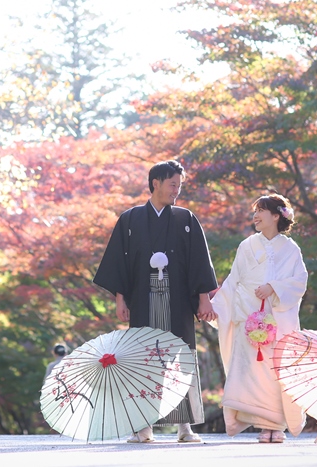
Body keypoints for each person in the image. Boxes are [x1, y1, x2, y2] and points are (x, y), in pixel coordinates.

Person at [93, 160, 218, 444]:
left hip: (178, 300)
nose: (177, 190)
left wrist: (204, 299)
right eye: (173, 184)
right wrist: (120, 300)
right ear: (156, 183)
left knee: (181, 358)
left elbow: (199, 261)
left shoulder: (186, 219)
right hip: (142, 299)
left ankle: (185, 427)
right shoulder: (130, 219)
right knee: (143, 360)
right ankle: (143, 426)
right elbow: (120, 263)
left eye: (180, 185)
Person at [211, 193, 308, 443]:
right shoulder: (246, 245)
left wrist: (274, 287)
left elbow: (299, 281)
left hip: (278, 318)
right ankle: (265, 425)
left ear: (276, 215)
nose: (255, 215)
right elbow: (233, 281)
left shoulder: (290, 248)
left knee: (276, 370)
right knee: (252, 371)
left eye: (261, 211)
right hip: (249, 319)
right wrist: (215, 307)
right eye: (255, 211)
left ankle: (277, 425)